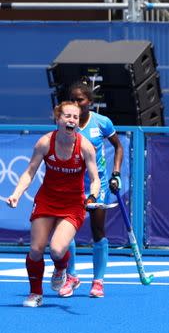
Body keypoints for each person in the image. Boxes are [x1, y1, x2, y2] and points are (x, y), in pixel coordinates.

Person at [5, 102, 100, 307]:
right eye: (67, 116)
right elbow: (30, 172)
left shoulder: (85, 147)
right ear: (58, 119)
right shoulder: (45, 143)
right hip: (47, 200)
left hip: (73, 204)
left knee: (57, 250)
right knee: (36, 249)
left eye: (75, 117)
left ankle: (60, 268)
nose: (71, 120)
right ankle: (35, 294)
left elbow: (95, 178)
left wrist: (92, 197)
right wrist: (16, 194)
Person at [59, 81, 124, 299]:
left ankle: (98, 282)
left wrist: (116, 173)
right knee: (66, 234)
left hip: (99, 185)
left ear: (90, 102)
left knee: (98, 232)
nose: (77, 104)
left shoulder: (101, 122)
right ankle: (72, 276)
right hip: (73, 186)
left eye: (81, 100)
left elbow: (118, 146)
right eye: (73, 100)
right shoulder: (67, 124)